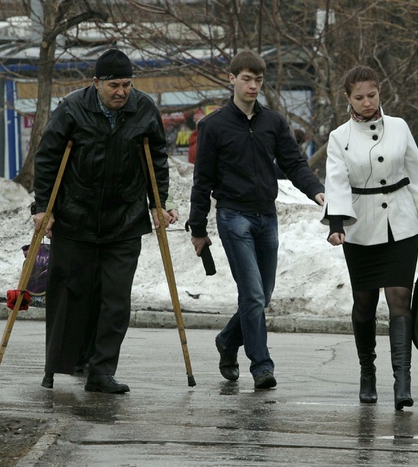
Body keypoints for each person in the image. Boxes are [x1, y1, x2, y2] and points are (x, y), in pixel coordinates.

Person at [33, 48, 170, 394]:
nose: (121, 92)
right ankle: (58, 365)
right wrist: (42, 207)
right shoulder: (73, 108)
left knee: (115, 299)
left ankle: (101, 372)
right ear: (96, 83)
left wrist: (158, 203)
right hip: (76, 217)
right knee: (71, 293)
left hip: (124, 220)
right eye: (114, 85)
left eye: (126, 84)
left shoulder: (143, 109)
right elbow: (49, 157)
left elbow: (157, 158)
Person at [188, 50, 325, 389]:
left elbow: (294, 164)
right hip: (233, 216)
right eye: (246, 79)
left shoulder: (273, 123)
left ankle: (227, 340)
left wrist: (317, 192)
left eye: (258, 80)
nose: (252, 86)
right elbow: (202, 180)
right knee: (251, 294)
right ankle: (261, 365)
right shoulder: (214, 125)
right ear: (231, 79)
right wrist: (199, 227)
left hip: (267, 215)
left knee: (262, 293)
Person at [322, 65, 418, 410]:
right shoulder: (338, 137)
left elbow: (416, 175)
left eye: (371, 95)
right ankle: (367, 373)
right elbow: (337, 182)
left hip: (401, 223)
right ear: (348, 99)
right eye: (359, 97)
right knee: (365, 303)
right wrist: (336, 224)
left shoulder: (399, 127)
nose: (367, 102)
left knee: (400, 297)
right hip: (361, 226)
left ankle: (402, 382)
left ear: (379, 92)